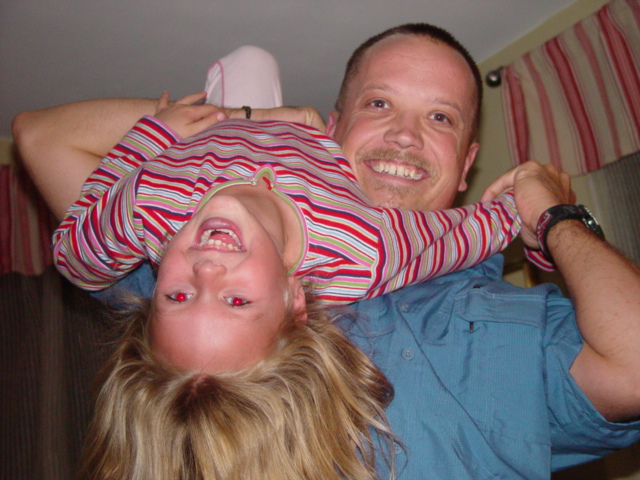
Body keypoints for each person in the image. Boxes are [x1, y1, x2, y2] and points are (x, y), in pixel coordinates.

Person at [12, 23, 640, 479]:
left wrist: (553, 218)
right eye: (378, 103)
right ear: (333, 128)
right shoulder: (184, 313)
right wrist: (245, 119)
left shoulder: (191, 260)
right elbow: (41, 136)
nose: (404, 134)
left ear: (467, 163)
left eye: (441, 118)